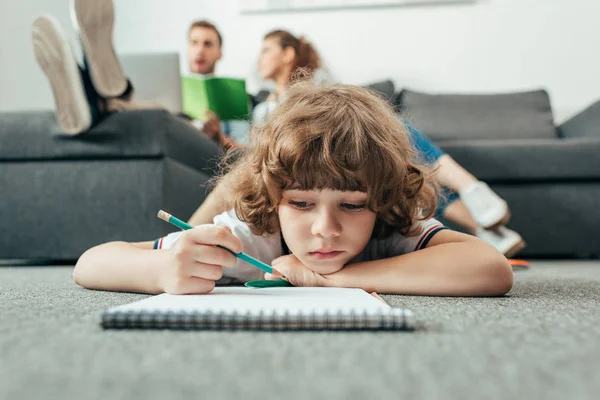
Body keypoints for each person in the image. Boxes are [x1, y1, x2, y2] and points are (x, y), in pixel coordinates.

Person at [73, 82, 513, 296]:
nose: (326, 228)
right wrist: (161, 270)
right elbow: (91, 262)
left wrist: (331, 278)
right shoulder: (251, 234)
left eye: (353, 205)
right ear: (273, 199)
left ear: (380, 201)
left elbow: (491, 268)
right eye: (301, 203)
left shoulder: (391, 227)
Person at [188, 29, 526, 258]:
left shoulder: (322, 84)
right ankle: (482, 221)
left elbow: (351, 125)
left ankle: (474, 195)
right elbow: (258, 157)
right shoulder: (261, 108)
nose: (258, 59)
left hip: (342, 153)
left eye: (266, 50)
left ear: (288, 54)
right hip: (289, 167)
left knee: (393, 148)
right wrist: (220, 138)